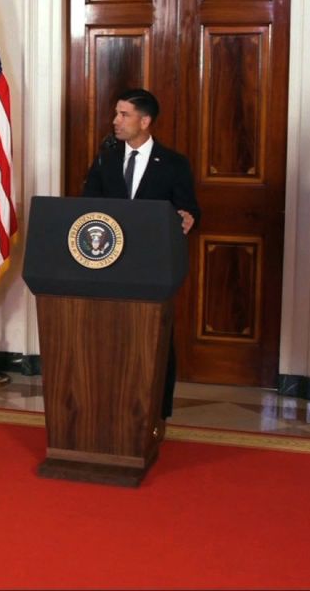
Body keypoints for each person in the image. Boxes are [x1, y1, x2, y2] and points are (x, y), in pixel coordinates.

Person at [81, 88, 200, 420]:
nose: (115, 121)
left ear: (145, 121)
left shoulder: (173, 164)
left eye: (123, 115)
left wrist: (188, 218)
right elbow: (87, 203)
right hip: (108, 265)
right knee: (111, 337)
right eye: (116, 114)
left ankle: (156, 411)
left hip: (152, 268)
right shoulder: (106, 157)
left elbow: (189, 209)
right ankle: (109, 404)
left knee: (155, 339)